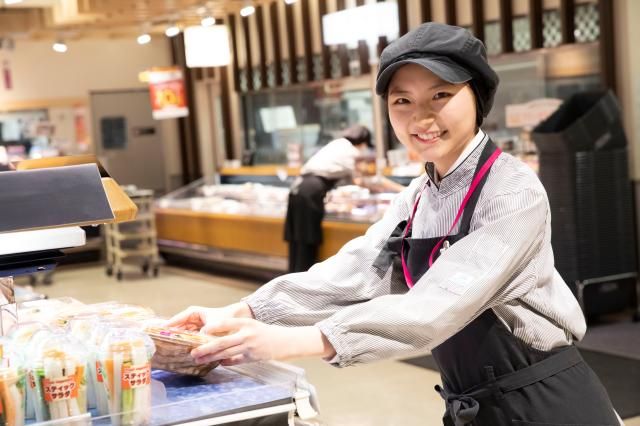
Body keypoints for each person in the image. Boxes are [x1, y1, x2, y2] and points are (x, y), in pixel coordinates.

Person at [168, 23, 621, 425]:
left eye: (441, 95)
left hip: (545, 402)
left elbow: (438, 306)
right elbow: (359, 270)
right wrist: (244, 312)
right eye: (402, 100)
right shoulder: (420, 193)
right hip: (474, 403)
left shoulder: (512, 191)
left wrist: (293, 341)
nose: (420, 117)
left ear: (478, 97)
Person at [285, 124, 403, 273]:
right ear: (362, 142)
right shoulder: (352, 151)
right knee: (307, 241)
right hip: (311, 191)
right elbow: (365, 180)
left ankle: (293, 277)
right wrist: (401, 189)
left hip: (297, 188)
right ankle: (303, 278)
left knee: (297, 241)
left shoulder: (337, 144)